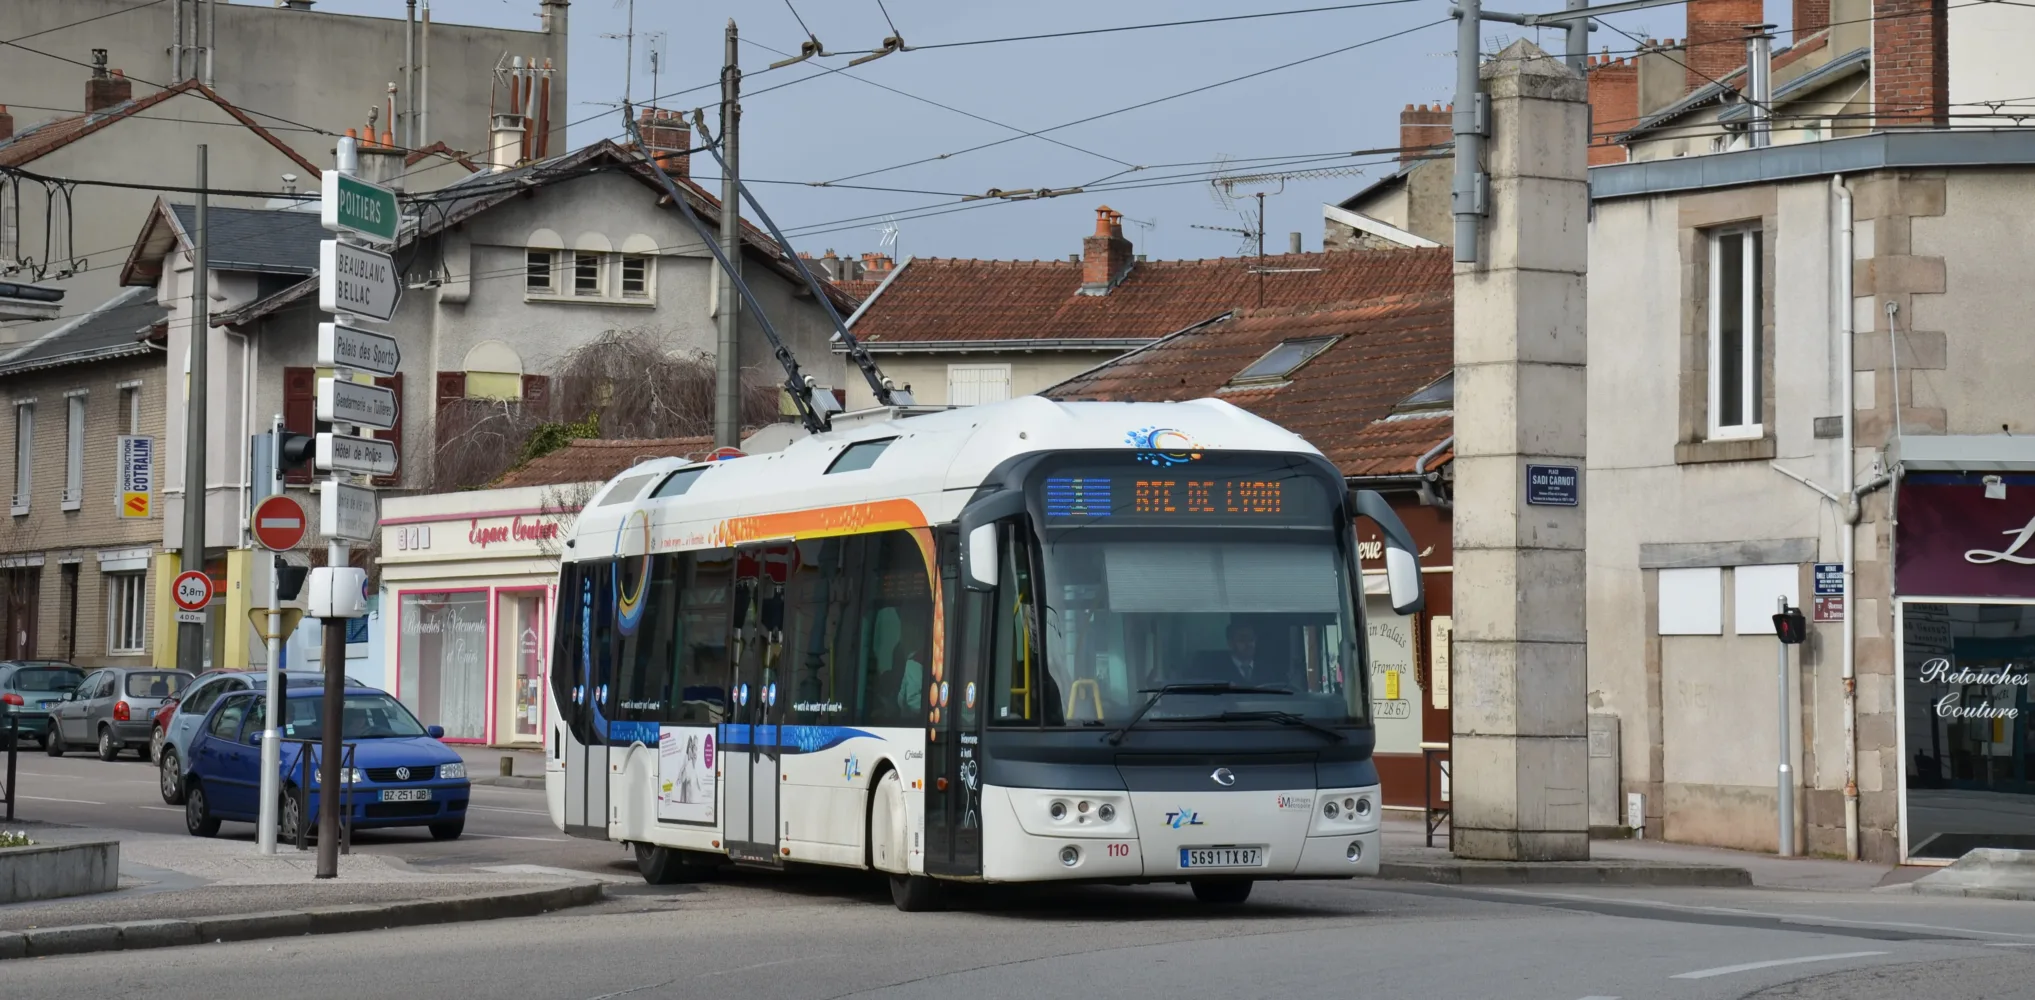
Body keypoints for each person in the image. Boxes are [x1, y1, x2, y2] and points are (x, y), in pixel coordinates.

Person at [1193, 621, 1281, 686]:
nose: (1249, 644)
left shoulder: (1268, 668)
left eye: (1251, 639)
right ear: (1230, 643)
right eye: (1242, 640)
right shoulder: (1215, 670)